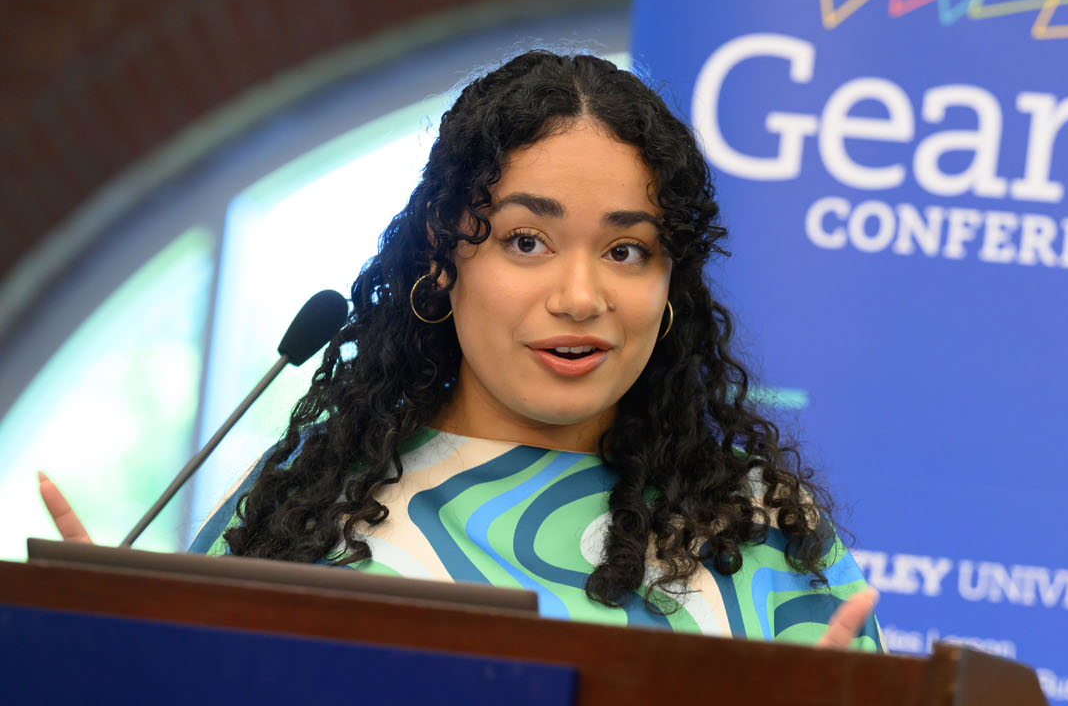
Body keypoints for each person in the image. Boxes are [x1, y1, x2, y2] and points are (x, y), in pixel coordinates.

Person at [39, 50, 880, 651]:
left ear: (671, 287)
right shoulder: (305, 512)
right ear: (445, 257)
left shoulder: (762, 533)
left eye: (627, 251)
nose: (580, 297)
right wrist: (103, 659)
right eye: (525, 242)